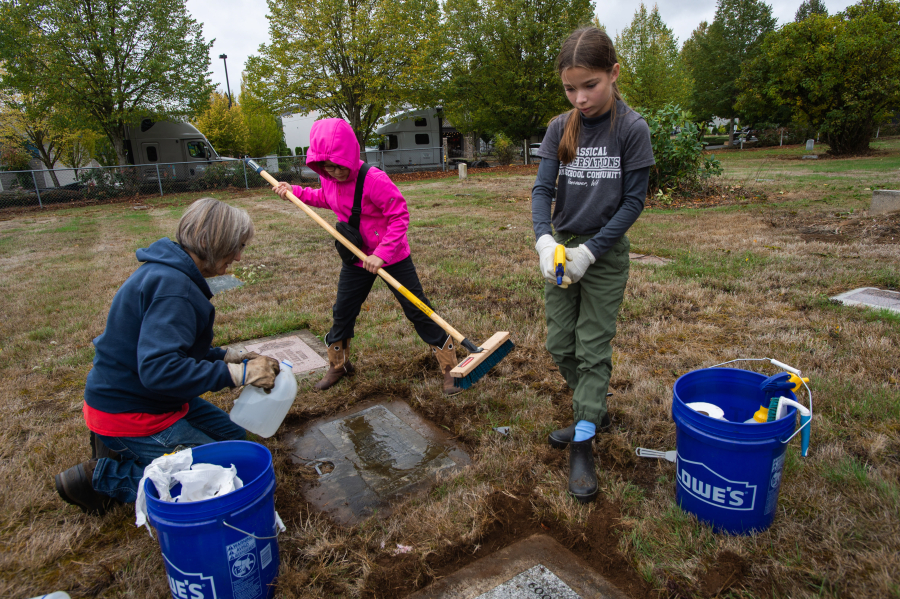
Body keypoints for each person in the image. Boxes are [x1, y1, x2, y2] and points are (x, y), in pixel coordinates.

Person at [54, 198, 281, 515]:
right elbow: (160, 370)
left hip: (159, 400)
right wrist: (239, 376)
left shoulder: (172, 272)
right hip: (131, 411)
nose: (239, 257)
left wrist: (230, 357)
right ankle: (103, 476)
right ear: (211, 243)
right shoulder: (174, 288)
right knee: (213, 484)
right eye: (236, 247)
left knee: (234, 439)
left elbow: (176, 353)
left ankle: (134, 455)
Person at [531, 27, 655, 504]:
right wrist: (546, 241)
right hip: (562, 250)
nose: (580, 98)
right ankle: (594, 408)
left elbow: (633, 203)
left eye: (591, 85)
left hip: (602, 256)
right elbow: (543, 190)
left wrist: (590, 253)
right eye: (570, 88)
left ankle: (584, 439)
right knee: (559, 343)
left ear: (614, 74)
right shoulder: (559, 128)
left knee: (591, 348)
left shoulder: (631, 129)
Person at [272, 118, 463, 395]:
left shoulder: (374, 179)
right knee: (343, 311)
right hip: (356, 257)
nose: (335, 172)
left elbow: (399, 216)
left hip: (391, 256)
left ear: (349, 155)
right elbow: (324, 197)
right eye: (328, 167)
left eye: (338, 166)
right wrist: (294, 192)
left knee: (417, 308)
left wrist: (382, 254)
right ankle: (339, 365)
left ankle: (449, 368)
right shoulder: (330, 178)